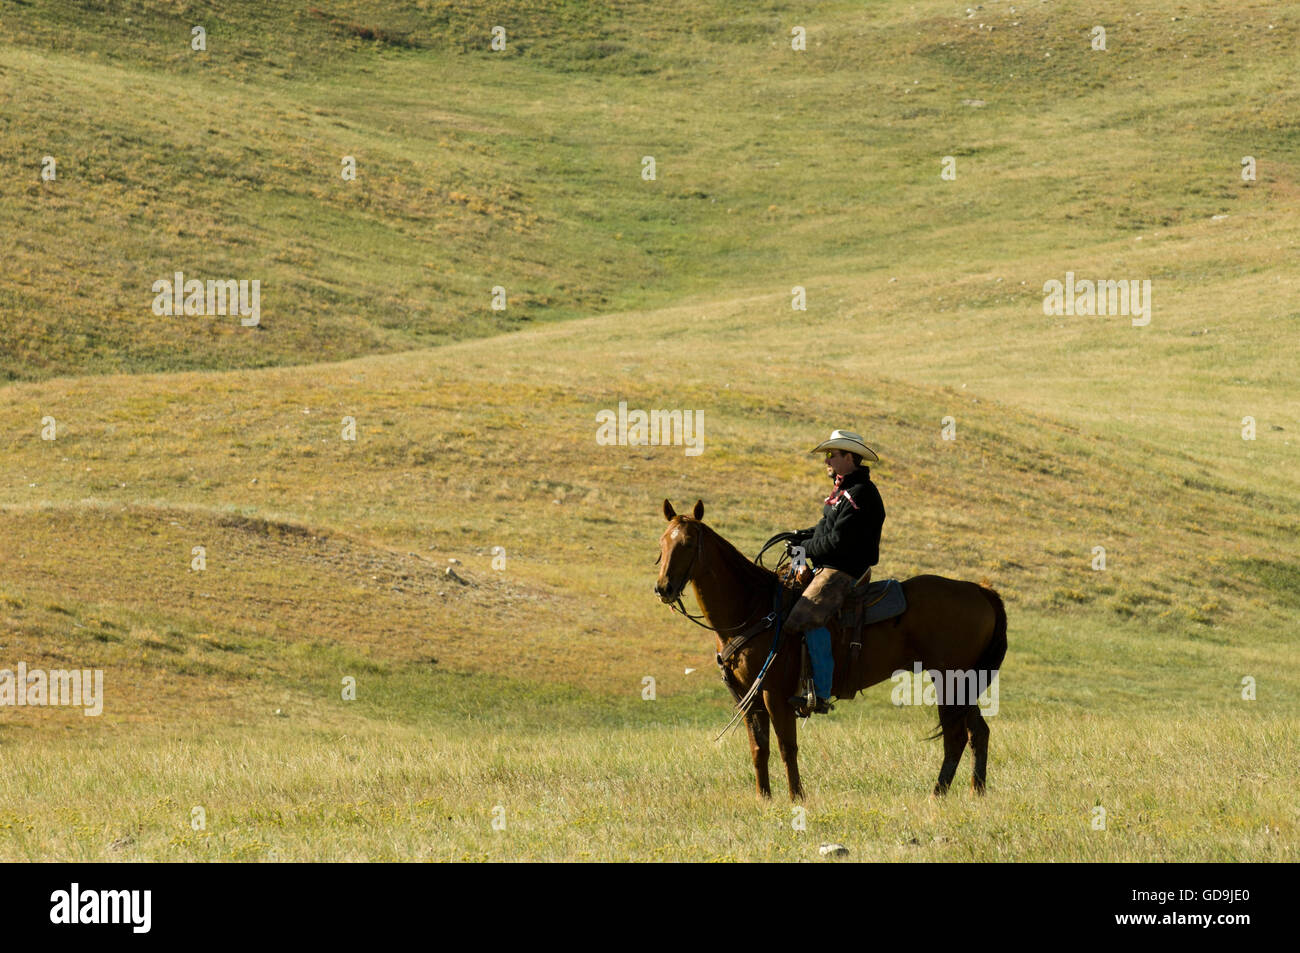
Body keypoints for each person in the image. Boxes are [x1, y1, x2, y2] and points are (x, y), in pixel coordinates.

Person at [785, 430, 886, 714]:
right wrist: (797, 540)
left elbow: (836, 542)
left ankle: (820, 691)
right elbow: (823, 531)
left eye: (832, 454)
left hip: (845, 571)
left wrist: (804, 547)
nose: (827, 460)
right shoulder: (843, 492)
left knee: (808, 615)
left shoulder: (861, 494)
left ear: (850, 457)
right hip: (830, 565)